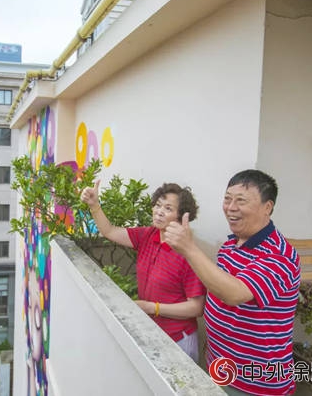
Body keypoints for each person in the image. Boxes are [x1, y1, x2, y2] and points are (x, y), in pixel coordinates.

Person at [164, 169, 300, 396]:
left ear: (267, 207)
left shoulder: (279, 255)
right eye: (227, 199)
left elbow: (234, 294)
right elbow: (218, 290)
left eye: (241, 201)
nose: (231, 207)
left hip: (255, 384)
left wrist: (188, 249)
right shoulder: (230, 245)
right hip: (220, 368)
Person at [80, 181, 206, 361]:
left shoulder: (187, 253)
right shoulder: (148, 235)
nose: (159, 211)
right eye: (158, 205)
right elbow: (109, 231)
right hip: (153, 334)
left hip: (178, 340)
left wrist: (152, 308)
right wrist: (94, 206)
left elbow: (196, 307)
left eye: (168, 208)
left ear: (181, 216)